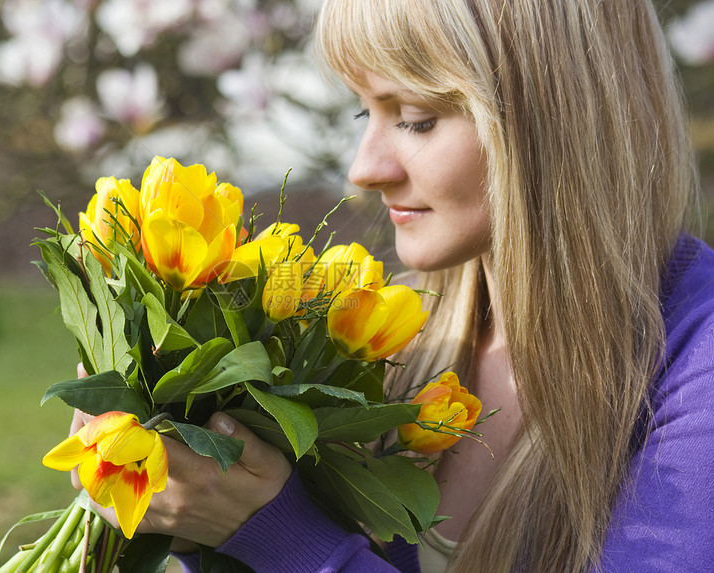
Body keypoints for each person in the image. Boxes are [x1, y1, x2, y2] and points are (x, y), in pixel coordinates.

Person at [74, 1, 714, 571]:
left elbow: (294, 547)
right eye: (364, 109)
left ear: (559, 120)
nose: (364, 169)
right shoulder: (390, 336)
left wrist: (278, 537)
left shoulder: (695, 361)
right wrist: (191, 518)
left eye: (414, 118)